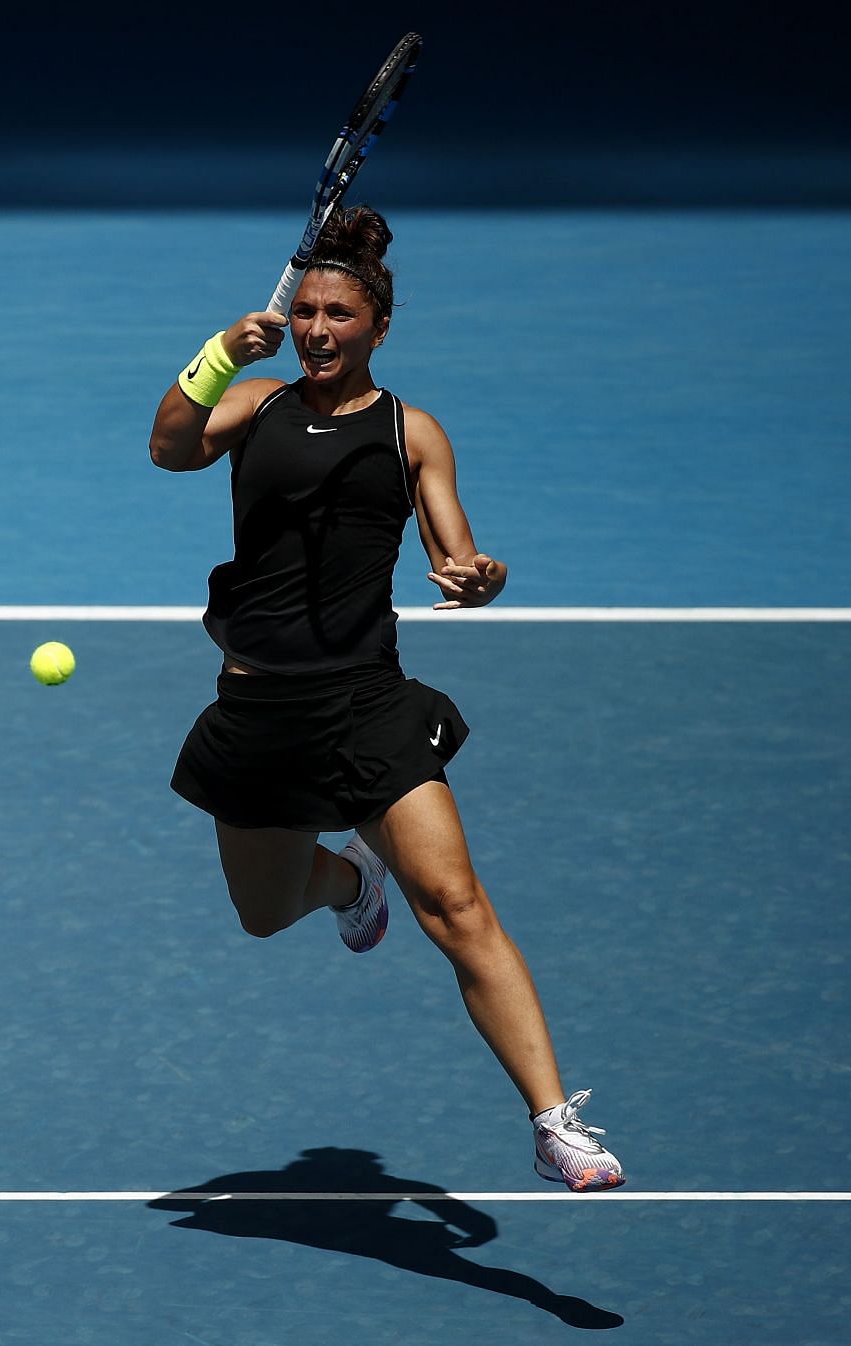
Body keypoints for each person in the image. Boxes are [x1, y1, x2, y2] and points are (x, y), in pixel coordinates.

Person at [147, 206, 624, 1192]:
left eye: (340, 315)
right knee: (266, 910)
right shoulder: (261, 403)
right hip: (258, 713)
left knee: (456, 903)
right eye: (308, 312)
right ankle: (348, 881)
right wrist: (216, 355)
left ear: (379, 328)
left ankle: (552, 1121)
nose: (318, 329)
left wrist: (476, 577)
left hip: (367, 703)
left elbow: (458, 549)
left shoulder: (413, 432)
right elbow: (170, 445)